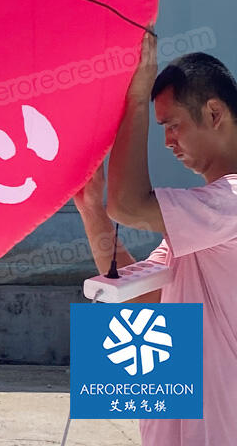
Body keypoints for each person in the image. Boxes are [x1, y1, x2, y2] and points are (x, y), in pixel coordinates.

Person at [74, 29, 237, 446]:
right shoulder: (204, 222)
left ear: (215, 114)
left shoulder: (230, 202)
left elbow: (127, 204)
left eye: (172, 125)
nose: (166, 141)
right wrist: (92, 209)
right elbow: (147, 305)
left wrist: (134, 97)